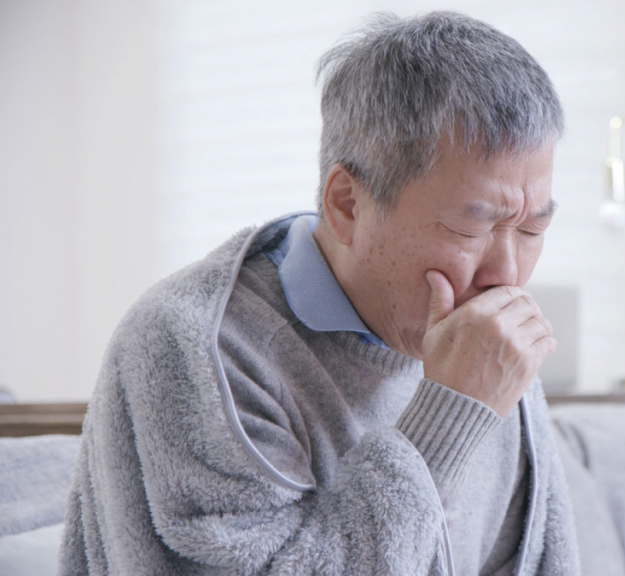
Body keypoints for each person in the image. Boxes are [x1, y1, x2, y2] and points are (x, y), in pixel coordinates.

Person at [60, 11, 579, 575]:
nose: (507, 273)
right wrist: (448, 418)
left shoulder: (491, 345)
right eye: (472, 227)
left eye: (531, 231)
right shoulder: (189, 344)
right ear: (348, 205)